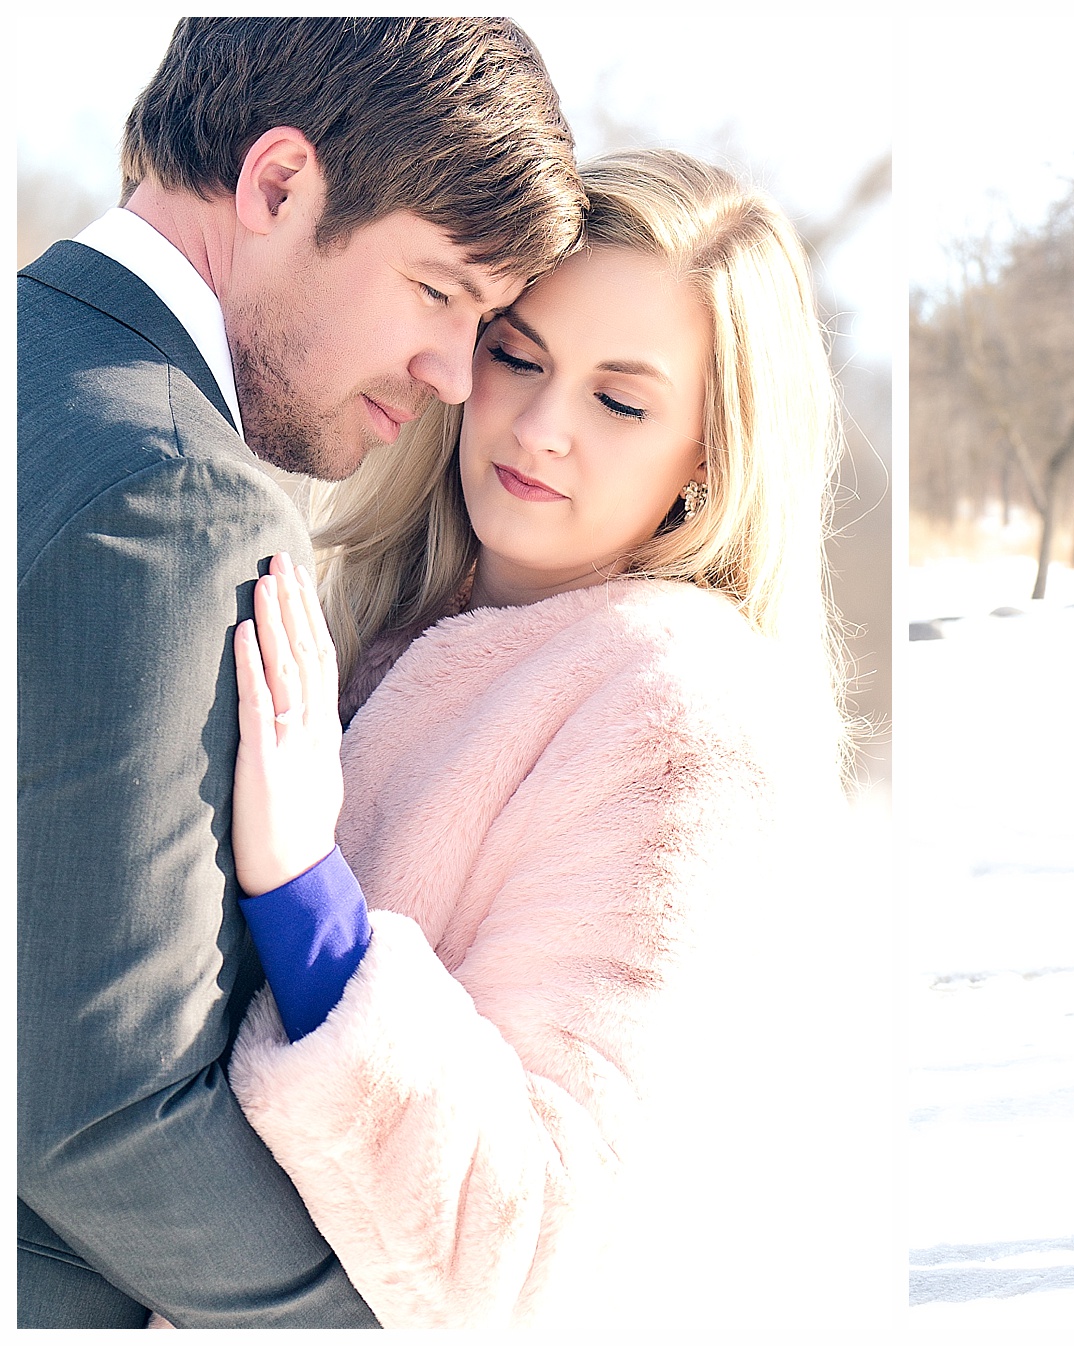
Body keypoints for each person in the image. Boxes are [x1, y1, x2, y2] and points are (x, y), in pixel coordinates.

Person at [218, 149, 858, 1328]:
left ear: (709, 458)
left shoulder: (683, 718)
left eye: (620, 401)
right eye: (518, 354)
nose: (542, 425)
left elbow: (529, 1246)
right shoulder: (375, 622)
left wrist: (306, 894)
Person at [16, 18, 586, 1328]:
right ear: (278, 186)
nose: (452, 376)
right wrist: (386, 1316)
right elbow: (99, 1114)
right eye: (441, 291)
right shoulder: (172, 495)